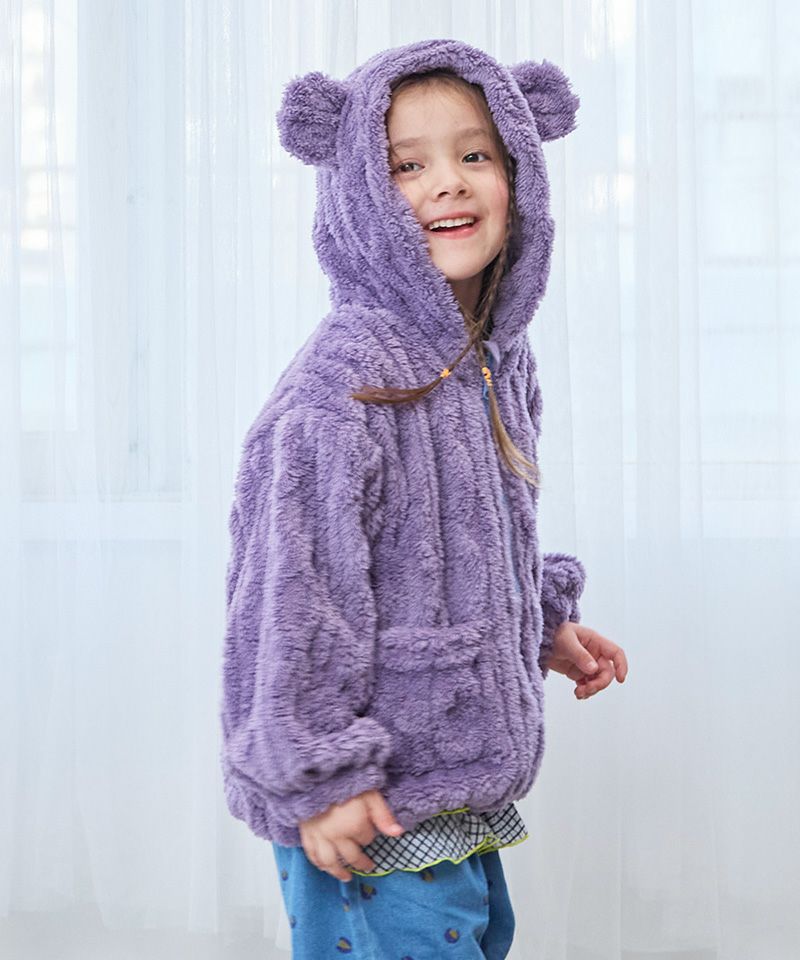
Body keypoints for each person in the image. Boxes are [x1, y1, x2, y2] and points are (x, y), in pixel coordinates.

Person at [219, 38, 628, 958]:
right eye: (407, 165)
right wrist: (319, 771)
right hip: (371, 798)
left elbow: (469, 536)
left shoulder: (490, 359)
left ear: (520, 171)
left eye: (475, 153)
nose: (448, 181)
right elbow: (290, 589)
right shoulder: (345, 380)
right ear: (359, 190)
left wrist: (538, 623)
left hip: (452, 782)